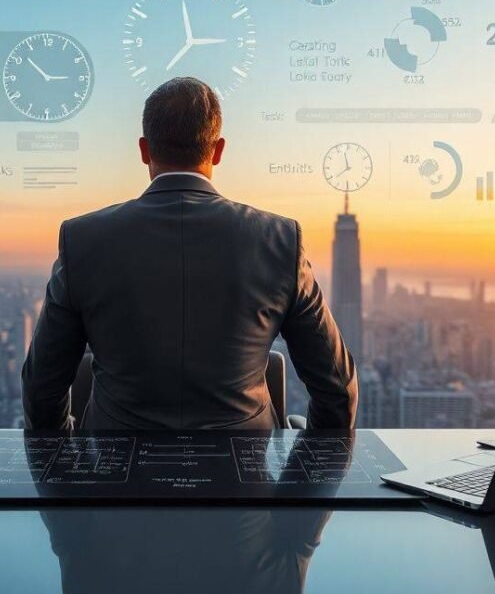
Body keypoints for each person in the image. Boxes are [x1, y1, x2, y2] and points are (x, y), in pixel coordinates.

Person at [22, 76, 357, 430]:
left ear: (144, 150)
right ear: (218, 150)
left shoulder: (82, 239)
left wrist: (67, 456)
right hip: (249, 478)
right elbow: (336, 389)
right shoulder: (279, 239)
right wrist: (310, 466)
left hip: (112, 475)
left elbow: (42, 386)